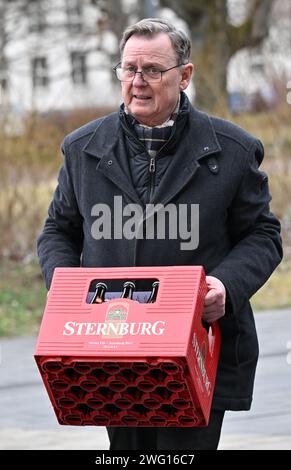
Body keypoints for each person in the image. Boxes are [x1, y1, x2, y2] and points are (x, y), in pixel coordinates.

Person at [37, 18, 282, 450]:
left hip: (199, 353)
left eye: (152, 69)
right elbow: (58, 230)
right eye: (129, 69)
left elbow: (263, 235)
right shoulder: (82, 149)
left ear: (184, 76)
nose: (138, 81)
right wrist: (66, 289)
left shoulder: (233, 149)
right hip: (112, 351)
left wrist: (226, 285)